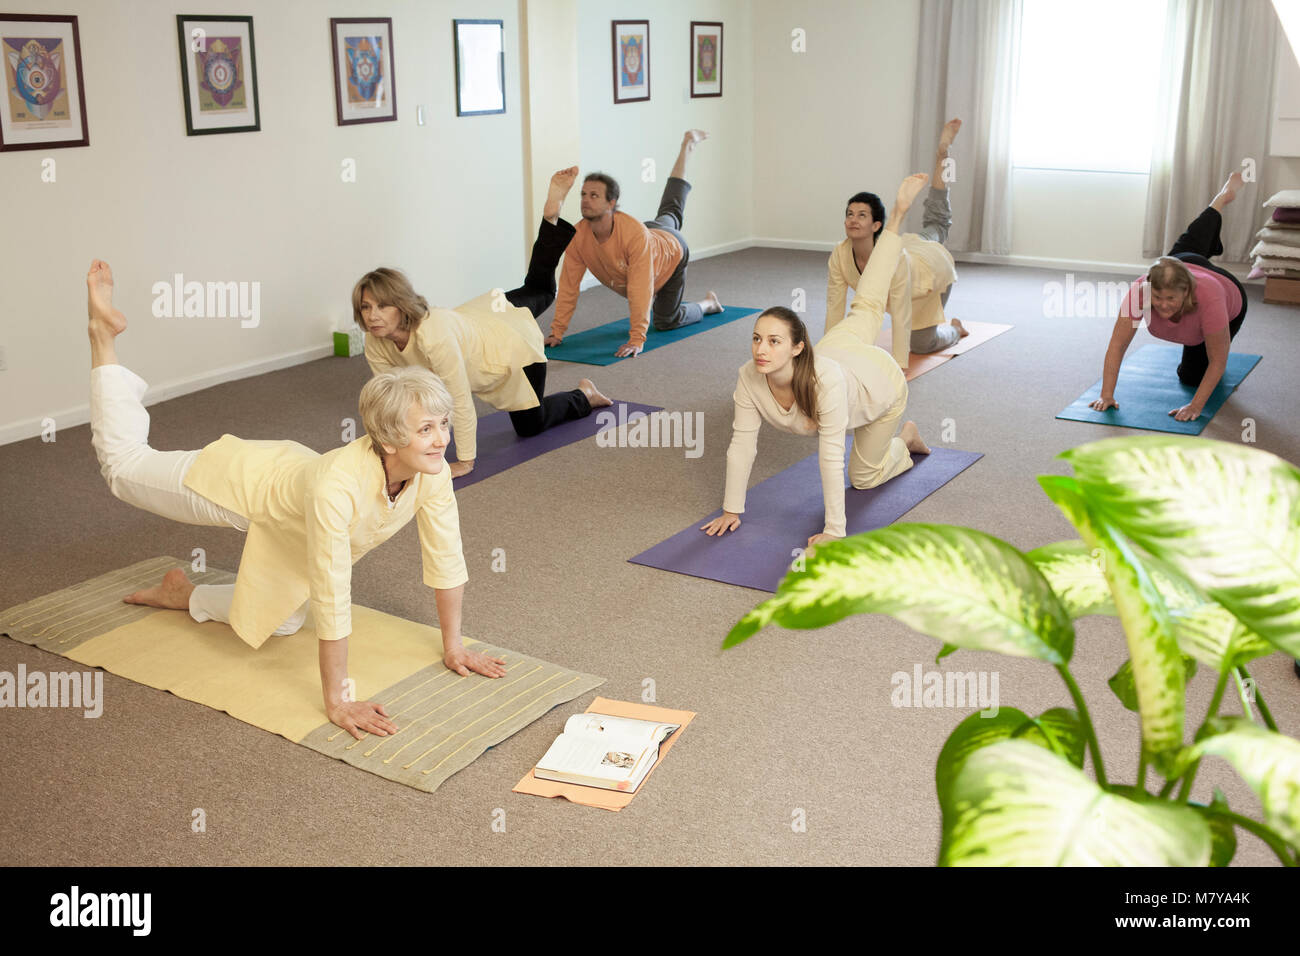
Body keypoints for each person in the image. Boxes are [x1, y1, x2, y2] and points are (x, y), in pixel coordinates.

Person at [84, 260, 505, 741]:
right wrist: (339, 700)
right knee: (123, 468)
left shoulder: (430, 472)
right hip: (242, 484)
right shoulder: (337, 487)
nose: (439, 440)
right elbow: (332, 587)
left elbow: (446, 556)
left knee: (282, 623)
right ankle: (103, 338)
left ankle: (185, 594)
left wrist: (454, 646)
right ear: (389, 440)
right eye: (425, 429)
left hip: (289, 519)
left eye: (442, 425)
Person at [703, 174, 934, 550]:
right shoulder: (749, 376)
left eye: (774, 341)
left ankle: (904, 441)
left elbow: (830, 457)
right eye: (757, 339)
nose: (761, 349)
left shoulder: (823, 382)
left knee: (862, 476)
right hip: (839, 346)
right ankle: (896, 217)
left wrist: (835, 531)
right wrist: (733, 509)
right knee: (869, 304)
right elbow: (742, 443)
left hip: (879, 383)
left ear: (796, 347)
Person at [356, 168, 612, 478]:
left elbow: (460, 402)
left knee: (531, 424)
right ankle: (551, 220)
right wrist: (388, 453)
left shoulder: (433, 335)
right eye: (366, 307)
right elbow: (392, 399)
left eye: (382, 306)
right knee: (537, 289)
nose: (372, 316)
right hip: (482, 319)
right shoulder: (376, 340)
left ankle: (583, 395)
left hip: (511, 347)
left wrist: (465, 461)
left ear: (401, 304)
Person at [546, 130, 724, 358]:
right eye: (583, 194)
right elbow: (569, 286)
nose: (585, 200)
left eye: (594, 196)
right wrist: (557, 332)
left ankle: (708, 304)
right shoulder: (578, 236)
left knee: (665, 320)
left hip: (672, 252)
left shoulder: (632, 234)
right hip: (653, 232)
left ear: (611, 203)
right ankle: (688, 145)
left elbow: (640, 288)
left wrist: (637, 338)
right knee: (671, 210)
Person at [1090, 171, 1248, 422]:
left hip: (1225, 288)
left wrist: (1196, 406)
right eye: (1157, 298)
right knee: (1190, 241)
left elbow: (1218, 359)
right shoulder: (1143, 291)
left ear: (1185, 293)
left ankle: (1212, 232)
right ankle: (1220, 199)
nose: (1162, 306)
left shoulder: (1210, 300)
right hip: (1181, 263)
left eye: (1170, 300)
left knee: (1192, 377)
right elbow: (1117, 345)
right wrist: (1106, 394)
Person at [826, 119, 965, 368]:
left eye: (861, 216)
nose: (852, 220)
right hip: (909, 245)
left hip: (927, 274)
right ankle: (942, 154)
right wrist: (828, 355)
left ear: (876, 225)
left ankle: (955, 329)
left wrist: (900, 367)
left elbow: (901, 314)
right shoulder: (839, 254)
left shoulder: (894, 261)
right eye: (849, 214)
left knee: (922, 345)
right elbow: (835, 307)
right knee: (935, 223)